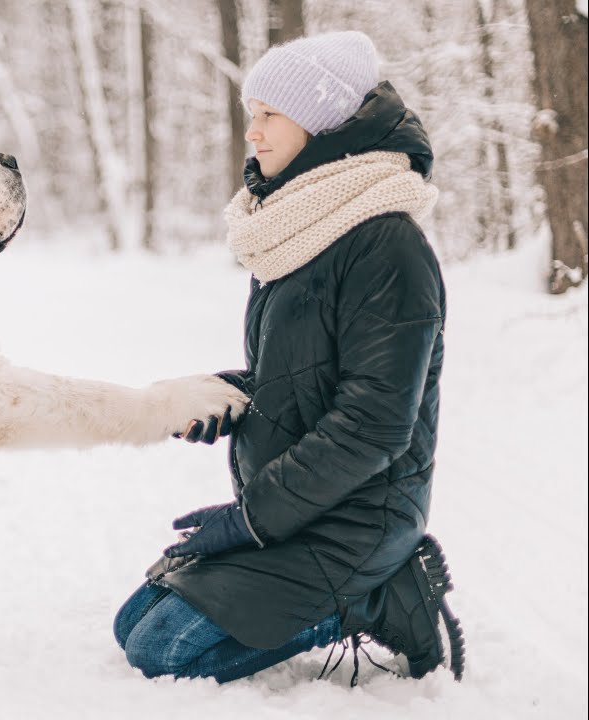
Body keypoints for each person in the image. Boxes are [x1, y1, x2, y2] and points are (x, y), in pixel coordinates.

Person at [113, 30, 465, 685]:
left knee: (159, 651)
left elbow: (374, 423)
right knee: (130, 623)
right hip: (305, 506)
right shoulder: (300, 226)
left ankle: (381, 597)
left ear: (321, 122)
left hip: (360, 517)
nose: (254, 132)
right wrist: (230, 395)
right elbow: (309, 373)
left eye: (270, 114)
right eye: (253, 114)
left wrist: (249, 519)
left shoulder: (385, 244)